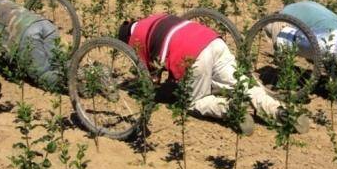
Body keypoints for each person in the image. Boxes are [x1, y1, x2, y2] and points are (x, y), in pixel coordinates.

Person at [117, 13, 310, 136]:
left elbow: (151, 79)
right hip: (212, 41)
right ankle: (281, 111)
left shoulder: (135, 39)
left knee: (194, 102)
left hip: (192, 55)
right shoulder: (156, 17)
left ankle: (231, 109)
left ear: (125, 39)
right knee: (244, 84)